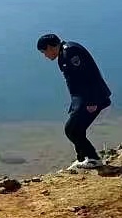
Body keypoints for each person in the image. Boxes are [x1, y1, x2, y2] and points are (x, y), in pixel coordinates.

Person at [37, 33, 113, 171]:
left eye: (44, 52)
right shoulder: (64, 53)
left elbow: (87, 76)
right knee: (76, 129)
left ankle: (93, 159)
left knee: (71, 129)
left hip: (93, 99)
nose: (45, 56)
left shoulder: (70, 52)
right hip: (83, 99)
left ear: (49, 47)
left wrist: (91, 101)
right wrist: (75, 105)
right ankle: (83, 159)